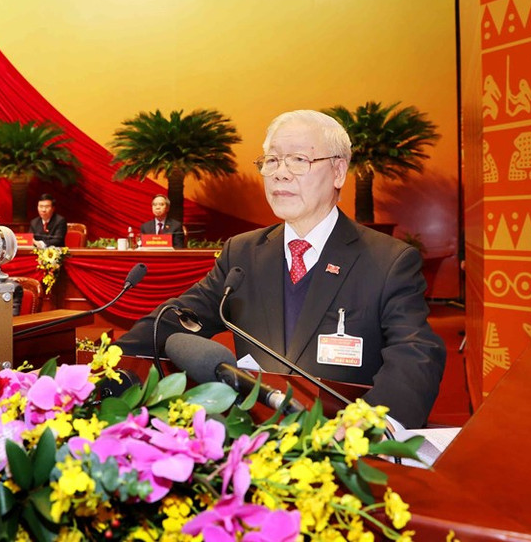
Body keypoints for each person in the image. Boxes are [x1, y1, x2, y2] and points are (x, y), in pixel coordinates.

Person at [116, 110, 446, 428]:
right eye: (272, 161)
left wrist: (374, 424)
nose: (280, 173)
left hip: (340, 447)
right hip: (254, 440)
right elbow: (175, 319)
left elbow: (415, 354)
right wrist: (107, 362)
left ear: (338, 172)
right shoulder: (243, 254)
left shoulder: (387, 260)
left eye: (298, 160)